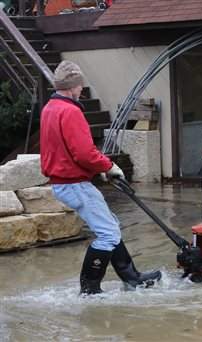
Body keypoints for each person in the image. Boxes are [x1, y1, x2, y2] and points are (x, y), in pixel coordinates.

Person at [40, 60, 162, 295]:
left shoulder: (50, 108)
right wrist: (109, 166)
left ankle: (132, 277)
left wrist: (100, 169)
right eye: (79, 86)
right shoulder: (70, 111)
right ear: (72, 86)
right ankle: (90, 290)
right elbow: (84, 153)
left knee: (111, 225)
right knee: (108, 234)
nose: (82, 90)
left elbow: (69, 151)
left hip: (64, 182)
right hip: (73, 183)